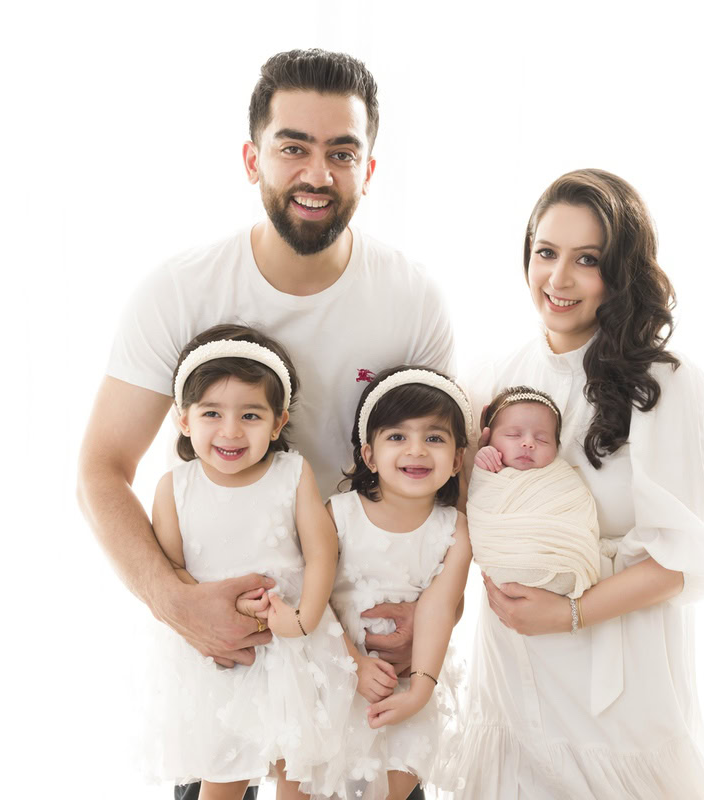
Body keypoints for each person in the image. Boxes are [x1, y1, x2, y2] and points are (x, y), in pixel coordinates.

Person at [75, 49, 450, 800]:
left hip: (360, 656)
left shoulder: (411, 301)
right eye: (292, 148)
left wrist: (422, 615)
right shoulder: (180, 291)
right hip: (232, 655)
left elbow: (440, 479)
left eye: (342, 152)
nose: (317, 174)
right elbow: (101, 469)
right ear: (253, 159)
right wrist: (176, 601)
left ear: (369, 170)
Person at [438, 169, 704, 798]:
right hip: (512, 679)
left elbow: (686, 560)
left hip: (617, 683)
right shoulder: (492, 375)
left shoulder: (665, 385)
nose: (559, 279)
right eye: (545, 253)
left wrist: (570, 613)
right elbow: (458, 521)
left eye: (587, 260)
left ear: (621, 272)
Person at [143, 324, 355, 798]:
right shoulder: (175, 488)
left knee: (296, 772)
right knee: (221, 774)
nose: (231, 431)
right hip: (221, 657)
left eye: (251, 415)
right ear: (183, 420)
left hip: (290, 652)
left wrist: (305, 619)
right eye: (212, 413)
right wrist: (216, 610)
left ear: (278, 423)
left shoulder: (291, 473)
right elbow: (172, 568)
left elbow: (323, 551)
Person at [309, 367, 472, 800]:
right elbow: (312, 599)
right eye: (397, 437)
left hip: (405, 682)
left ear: (457, 460)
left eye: (434, 438)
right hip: (329, 673)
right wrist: (353, 667)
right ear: (369, 454)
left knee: (391, 785)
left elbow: (438, 608)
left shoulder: (456, 530)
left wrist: (420, 688)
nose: (416, 450)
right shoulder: (338, 514)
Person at [468, 386, 601, 598]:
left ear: (556, 448)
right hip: (504, 565)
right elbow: (480, 501)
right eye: (513, 434)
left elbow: (579, 510)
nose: (528, 443)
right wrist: (482, 465)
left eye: (542, 439)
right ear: (488, 437)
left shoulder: (560, 476)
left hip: (567, 565)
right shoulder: (490, 467)